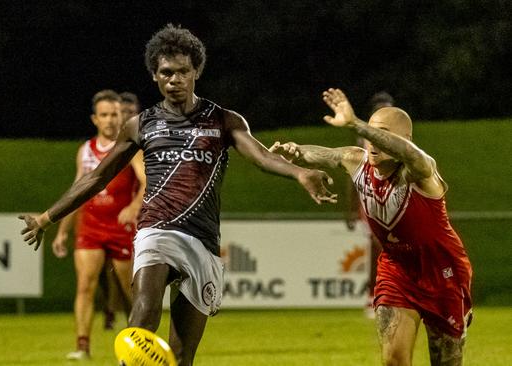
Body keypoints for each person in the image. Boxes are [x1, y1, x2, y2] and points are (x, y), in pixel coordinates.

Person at [20, 24, 336, 366]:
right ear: (155, 76)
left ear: (196, 71)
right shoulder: (140, 125)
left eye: (182, 71)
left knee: (182, 355)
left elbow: (261, 156)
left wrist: (300, 172)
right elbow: (96, 178)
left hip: (202, 241)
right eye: (166, 72)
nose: (174, 79)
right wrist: (46, 217)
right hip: (156, 230)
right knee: (142, 312)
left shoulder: (223, 121)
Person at [271, 88, 472, 365]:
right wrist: (297, 153)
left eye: (382, 134)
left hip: (441, 270)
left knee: (446, 360)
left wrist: (356, 123)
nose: (372, 141)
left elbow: (412, 155)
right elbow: (326, 155)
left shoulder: (420, 171)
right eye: (370, 134)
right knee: (394, 361)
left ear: (405, 139)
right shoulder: (357, 161)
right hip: (397, 269)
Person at [50, 89, 146, 360]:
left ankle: (134, 343)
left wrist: (134, 206)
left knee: (130, 292)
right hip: (91, 225)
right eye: (104, 115)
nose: (110, 120)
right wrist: (62, 231)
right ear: (95, 119)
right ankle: (82, 346)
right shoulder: (86, 151)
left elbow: (147, 183)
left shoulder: (130, 148)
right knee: (85, 285)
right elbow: (77, 191)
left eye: (115, 114)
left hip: (122, 226)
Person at [344, 91, 395, 318]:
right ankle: (371, 296)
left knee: (394, 248)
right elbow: (352, 173)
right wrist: (351, 208)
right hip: (370, 198)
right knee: (376, 247)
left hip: (394, 198)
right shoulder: (363, 138)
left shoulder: (400, 137)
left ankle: (393, 296)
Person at [97, 91, 143, 331]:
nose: (125, 116)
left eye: (129, 112)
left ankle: (135, 323)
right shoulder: (114, 143)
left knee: (128, 276)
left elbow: (146, 180)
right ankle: (110, 310)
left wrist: (135, 205)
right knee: (106, 272)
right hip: (108, 217)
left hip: (138, 218)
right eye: (121, 112)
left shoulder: (141, 141)